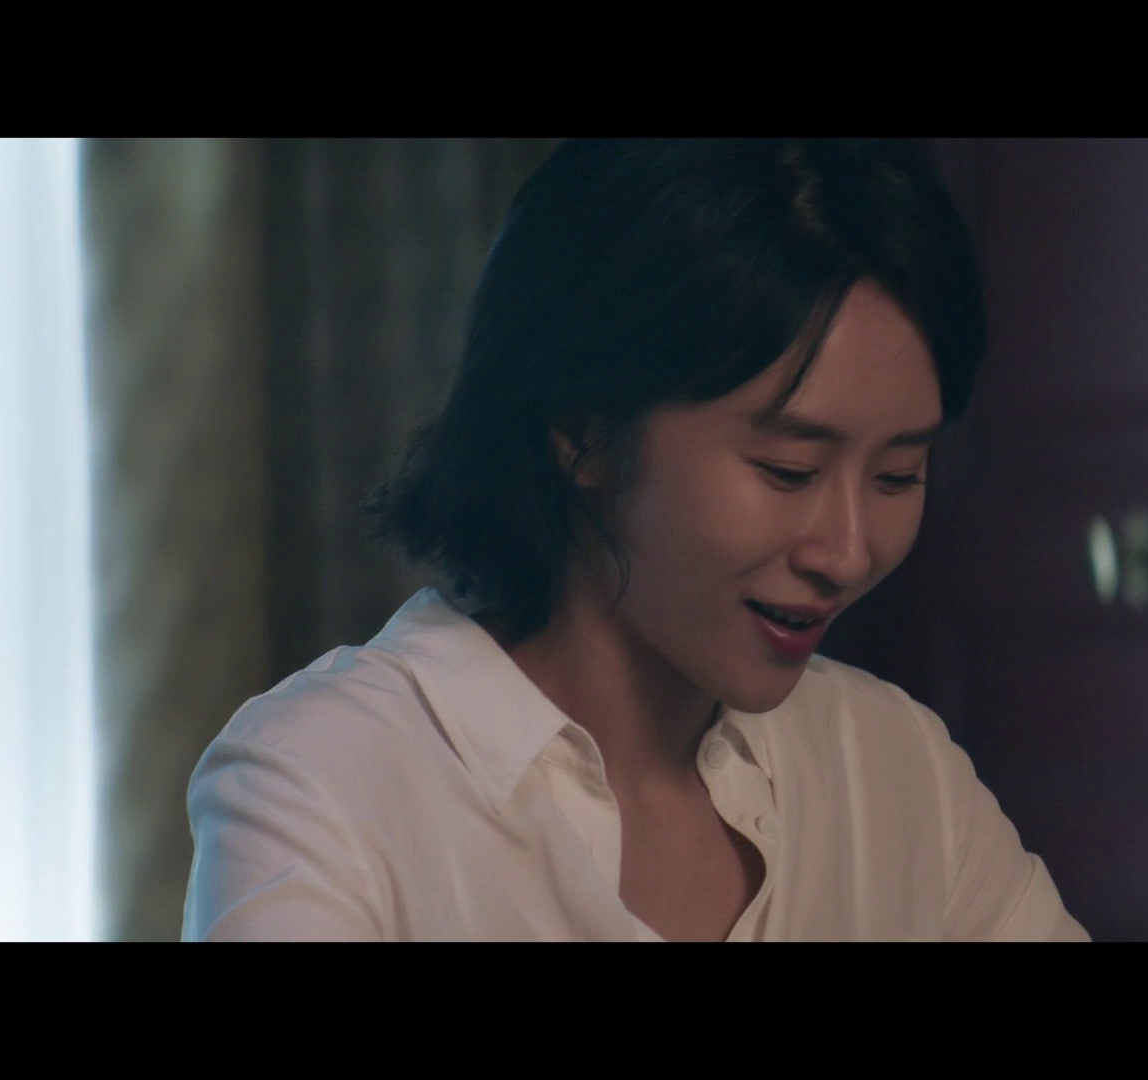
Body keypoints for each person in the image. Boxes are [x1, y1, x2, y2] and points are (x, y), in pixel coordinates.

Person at [181, 138, 1089, 941]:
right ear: (583, 431)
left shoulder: (890, 765)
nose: (848, 552)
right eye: (789, 470)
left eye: (897, 475)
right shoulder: (325, 782)